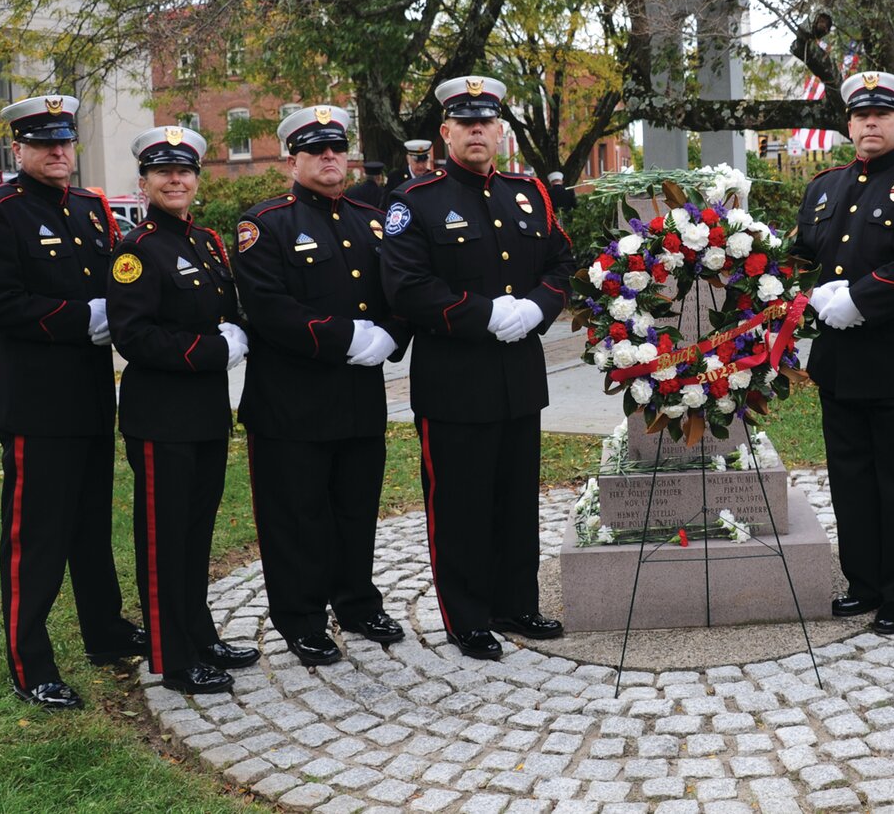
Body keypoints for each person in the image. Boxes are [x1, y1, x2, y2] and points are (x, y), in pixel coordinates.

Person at [380, 75, 575, 660]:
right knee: (460, 504)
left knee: (516, 500)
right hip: (454, 383)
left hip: (519, 379)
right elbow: (408, 287)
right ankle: (465, 616)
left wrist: (538, 308)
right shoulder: (414, 202)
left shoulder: (528, 192)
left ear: (499, 131)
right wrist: (487, 314)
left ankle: (516, 602)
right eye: (464, 123)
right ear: (445, 132)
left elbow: (562, 263)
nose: (476, 132)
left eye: (485, 122)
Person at [0, 94, 145, 709]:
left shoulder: (91, 209)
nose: (58, 152)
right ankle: (30, 661)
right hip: (35, 403)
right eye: (44, 143)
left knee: (91, 525)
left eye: (64, 141)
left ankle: (105, 632)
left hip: (91, 396)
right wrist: (79, 318)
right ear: (19, 149)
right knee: (36, 536)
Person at [234, 105, 409, 667]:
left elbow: (402, 291)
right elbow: (267, 309)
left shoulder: (371, 218)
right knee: (297, 516)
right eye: (315, 150)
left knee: (355, 509)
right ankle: (301, 619)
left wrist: (391, 336)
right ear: (294, 158)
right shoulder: (265, 224)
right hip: (291, 403)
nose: (329, 158)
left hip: (359, 399)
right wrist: (344, 337)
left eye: (336, 148)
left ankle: (357, 603)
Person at [789, 72, 894, 635]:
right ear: (848, 123)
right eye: (861, 116)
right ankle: (864, 582)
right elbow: (798, 259)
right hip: (841, 363)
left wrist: (860, 299)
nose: (869, 124)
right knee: (852, 478)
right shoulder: (824, 187)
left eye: (882, 115)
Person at [106, 126, 259, 695]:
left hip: (205, 414)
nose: (176, 179)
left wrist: (237, 330)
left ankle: (199, 633)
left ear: (196, 179)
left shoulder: (207, 242)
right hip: (160, 419)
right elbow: (134, 336)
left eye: (185, 171)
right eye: (163, 171)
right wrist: (216, 348)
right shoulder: (135, 250)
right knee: (164, 539)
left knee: (196, 534)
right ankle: (172, 658)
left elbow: (227, 307)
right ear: (144, 182)